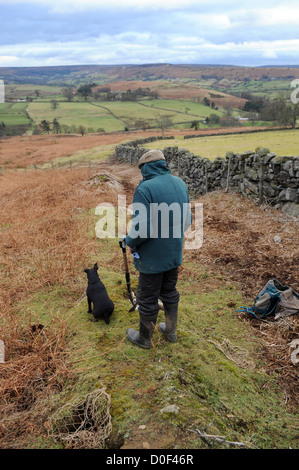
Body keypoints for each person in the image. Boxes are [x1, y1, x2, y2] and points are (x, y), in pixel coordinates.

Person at [124, 149, 191, 349]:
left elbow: (142, 228)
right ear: (163, 164)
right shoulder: (180, 183)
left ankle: (144, 338)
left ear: (145, 168)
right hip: (174, 252)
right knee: (169, 291)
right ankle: (170, 331)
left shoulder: (145, 189)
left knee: (146, 297)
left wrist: (130, 242)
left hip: (152, 259)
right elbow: (187, 221)